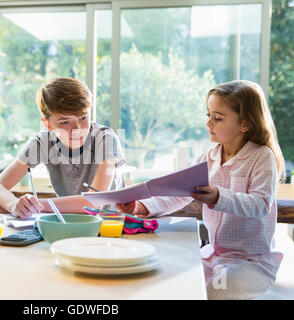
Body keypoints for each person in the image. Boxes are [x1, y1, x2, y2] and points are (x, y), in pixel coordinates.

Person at [117, 80, 285, 300]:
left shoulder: (262, 156)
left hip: (251, 262)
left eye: (217, 118)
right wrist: (141, 206)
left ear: (244, 123)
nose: (209, 123)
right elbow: (177, 194)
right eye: (208, 115)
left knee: (212, 292)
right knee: (169, 280)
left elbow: (260, 205)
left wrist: (218, 196)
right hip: (214, 255)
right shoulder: (210, 157)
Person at [0, 77, 126, 218]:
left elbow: (95, 202)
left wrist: (33, 206)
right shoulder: (43, 142)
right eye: (65, 122)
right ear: (47, 124)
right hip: (69, 223)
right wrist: (14, 205)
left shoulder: (105, 138)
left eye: (83, 118)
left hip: (111, 226)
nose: (77, 129)